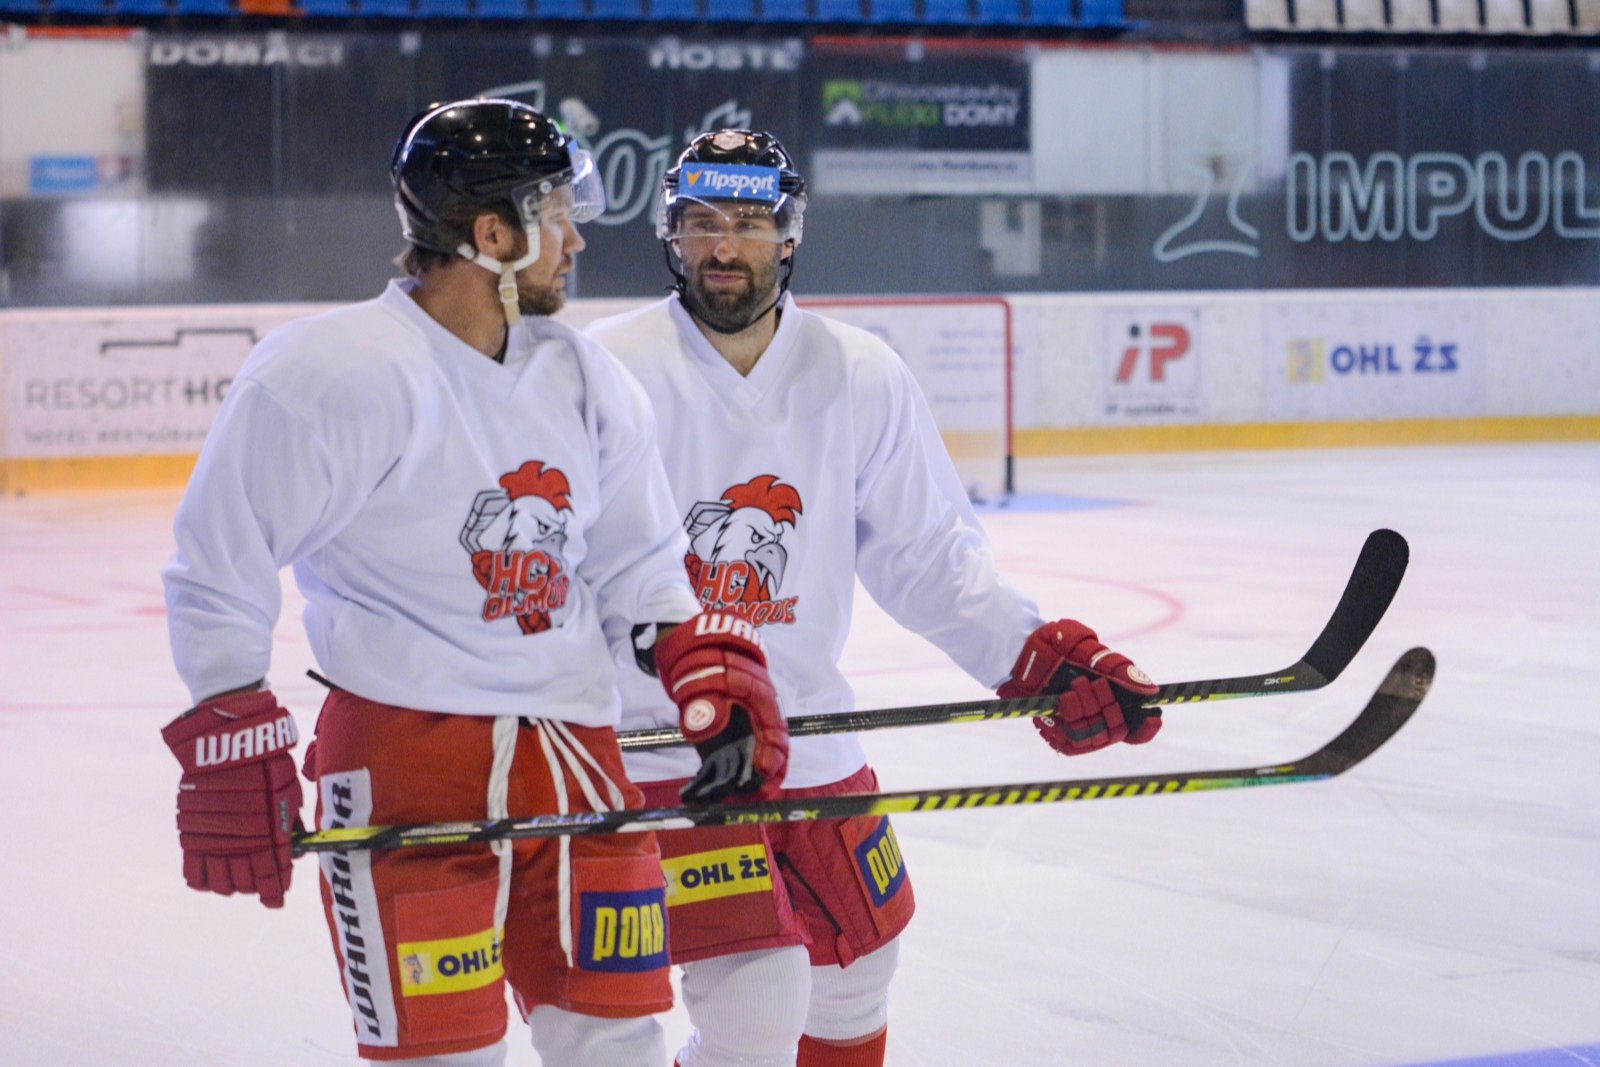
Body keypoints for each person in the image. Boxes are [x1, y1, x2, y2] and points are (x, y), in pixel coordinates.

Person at [158, 100, 790, 1067]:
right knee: (445, 1057)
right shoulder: (329, 373)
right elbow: (219, 561)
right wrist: (230, 722)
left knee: (619, 1043)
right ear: (493, 234)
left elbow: (639, 560)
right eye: (557, 215)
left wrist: (699, 665)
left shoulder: (585, 378)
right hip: (405, 761)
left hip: (574, 756)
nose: (576, 238)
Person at [584, 129, 1164, 1067]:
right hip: (669, 745)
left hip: (811, 732)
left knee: (858, 972)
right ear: (670, 231)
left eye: (747, 222)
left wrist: (1037, 656)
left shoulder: (860, 372)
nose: (723, 245)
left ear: (788, 234)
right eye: (701, 221)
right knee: (755, 996)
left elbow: (927, 553)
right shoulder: (605, 369)